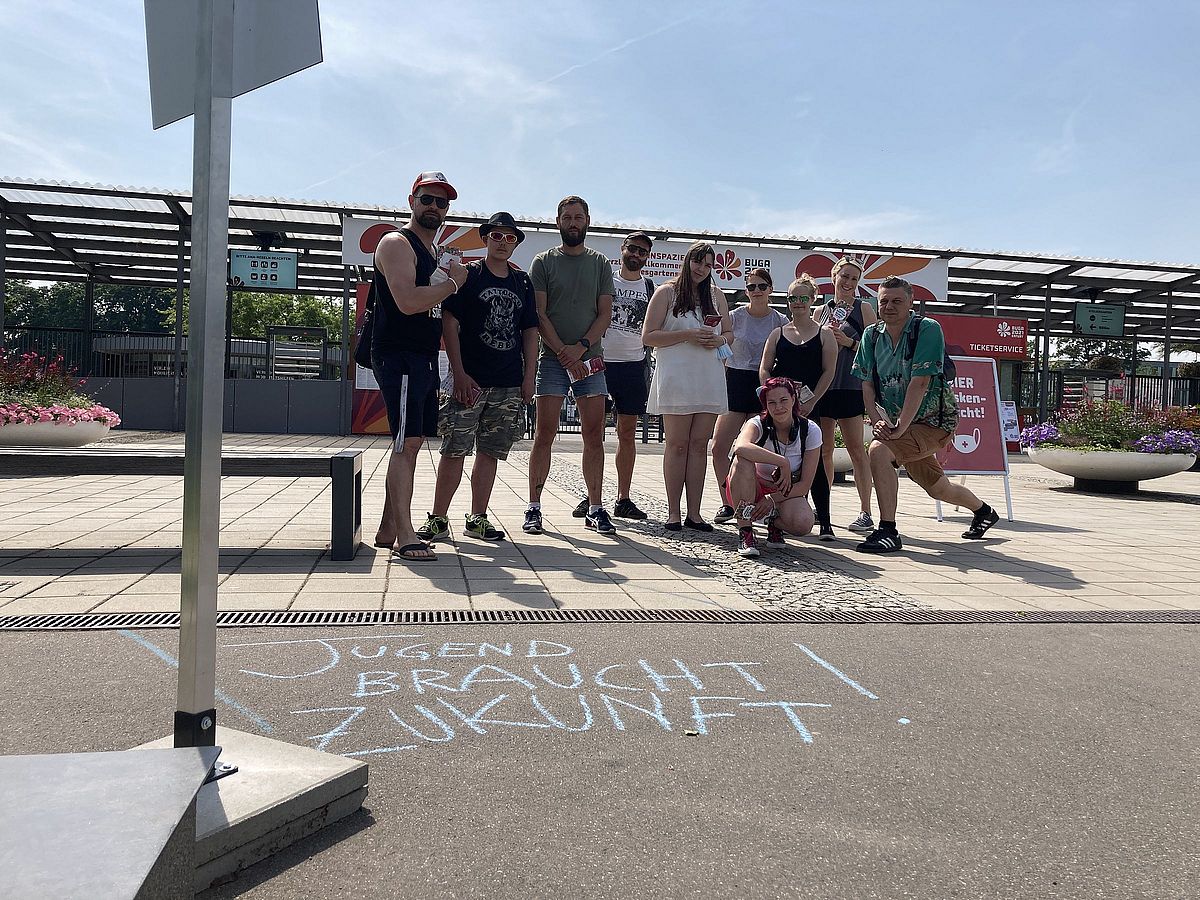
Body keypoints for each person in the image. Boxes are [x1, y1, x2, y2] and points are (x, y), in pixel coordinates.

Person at [851, 276, 1000, 553]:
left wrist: (895, 430)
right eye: (884, 301)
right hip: (902, 424)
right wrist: (877, 419)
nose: (889, 306)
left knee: (879, 451)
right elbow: (867, 383)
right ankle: (984, 512)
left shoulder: (927, 329)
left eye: (897, 301)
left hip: (934, 423)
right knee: (938, 488)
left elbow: (920, 383)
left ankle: (887, 531)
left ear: (910, 304)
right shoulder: (871, 336)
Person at [416, 213, 538, 544]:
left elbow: (530, 331)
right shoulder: (468, 276)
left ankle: (478, 517)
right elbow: (450, 323)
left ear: (515, 244)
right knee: (454, 449)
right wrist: (458, 373)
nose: (502, 243)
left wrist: (530, 377)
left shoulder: (522, 282)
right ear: (485, 240)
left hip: (508, 381)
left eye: (509, 238)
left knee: (490, 452)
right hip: (470, 380)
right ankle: (438, 518)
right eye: (496, 236)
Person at [370, 171, 468, 562]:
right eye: (427, 199)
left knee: (410, 442)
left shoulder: (431, 252)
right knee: (406, 444)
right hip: (400, 354)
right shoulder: (396, 242)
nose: (433, 207)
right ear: (412, 200)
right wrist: (453, 284)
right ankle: (405, 535)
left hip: (421, 357)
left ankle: (387, 527)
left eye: (441, 202)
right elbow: (408, 301)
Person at [524, 196, 616, 536]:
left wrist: (580, 348)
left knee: (594, 435)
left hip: (590, 358)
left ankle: (595, 507)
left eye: (578, 217)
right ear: (558, 221)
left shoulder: (600, 264)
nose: (573, 222)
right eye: (567, 217)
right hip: (552, 360)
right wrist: (563, 350)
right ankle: (534, 507)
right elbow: (539, 313)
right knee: (543, 434)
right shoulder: (543, 262)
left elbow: (604, 313)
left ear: (588, 220)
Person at [642, 241, 732, 532]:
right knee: (677, 444)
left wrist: (720, 340)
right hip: (677, 379)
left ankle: (695, 513)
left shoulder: (717, 296)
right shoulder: (666, 292)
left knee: (698, 446)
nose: (701, 269)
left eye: (708, 265)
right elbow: (649, 336)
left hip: (707, 378)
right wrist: (687, 335)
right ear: (687, 261)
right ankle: (673, 512)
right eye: (697, 262)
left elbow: (729, 333)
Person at [580, 231, 656, 520]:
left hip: (634, 364)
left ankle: (623, 497)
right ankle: (592, 497)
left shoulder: (650, 287)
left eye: (643, 252)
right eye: (633, 249)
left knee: (627, 433)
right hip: (601, 362)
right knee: (592, 432)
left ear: (647, 257)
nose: (636, 255)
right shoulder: (607, 280)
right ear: (623, 249)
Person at [758, 274, 838, 539]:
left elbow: (829, 371)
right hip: (783, 408)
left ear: (812, 299)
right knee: (782, 456)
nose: (798, 303)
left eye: (803, 298)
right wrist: (774, 399)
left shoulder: (825, 334)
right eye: (793, 298)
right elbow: (765, 369)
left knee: (815, 462)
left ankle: (825, 520)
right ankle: (773, 509)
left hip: (811, 405)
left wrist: (812, 400)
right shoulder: (777, 333)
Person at [710, 268, 788, 525]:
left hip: (762, 384)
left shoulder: (780, 320)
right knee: (720, 446)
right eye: (751, 287)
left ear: (770, 289)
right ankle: (728, 502)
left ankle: (756, 505)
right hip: (734, 379)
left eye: (761, 286)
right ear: (746, 290)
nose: (756, 291)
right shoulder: (733, 316)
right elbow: (719, 344)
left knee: (759, 451)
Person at [726, 377, 823, 558]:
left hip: (783, 491)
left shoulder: (810, 430)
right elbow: (740, 446)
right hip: (750, 487)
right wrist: (782, 462)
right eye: (772, 402)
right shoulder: (757, 423)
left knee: (803, 523)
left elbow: (804, 485)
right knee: (742, 461)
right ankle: (745, 530)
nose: (778, 407)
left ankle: (774, 522)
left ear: (794, 399)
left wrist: (771, 498)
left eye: (783, 400)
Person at [817, 256, 878, 533]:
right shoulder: (820, 312)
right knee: (823, 450)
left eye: (854, 278)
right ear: (834, 277)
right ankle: (822, 507)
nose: (849, 283)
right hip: (824, 388)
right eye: (845, 277)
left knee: (856, 450)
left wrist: (850, 342)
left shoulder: (864, 309)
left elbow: (877, 349)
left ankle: (866, 511)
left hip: (851, 387)